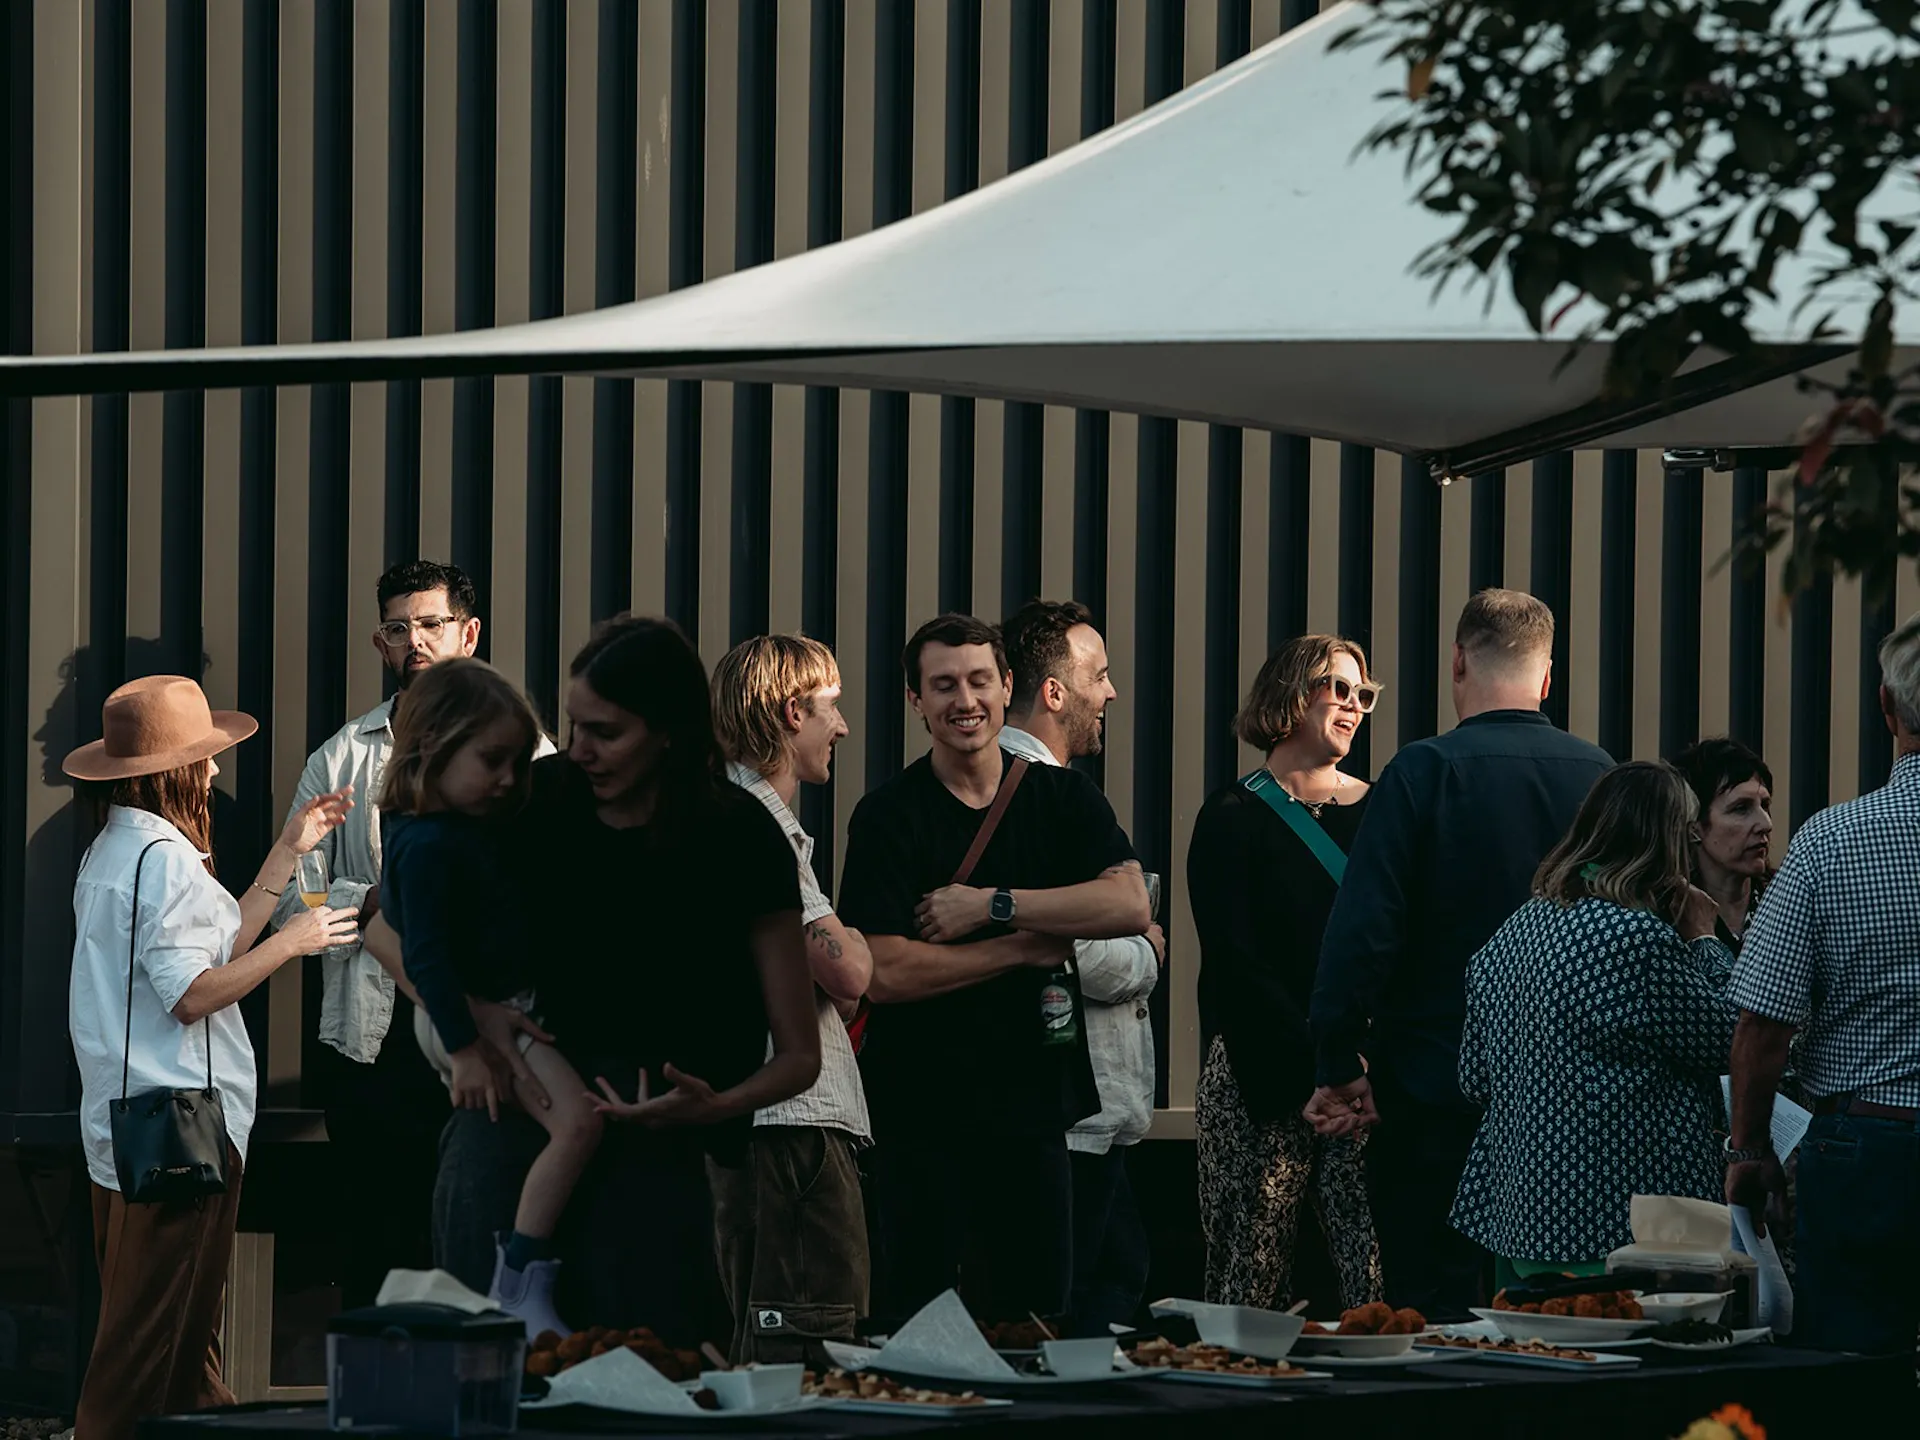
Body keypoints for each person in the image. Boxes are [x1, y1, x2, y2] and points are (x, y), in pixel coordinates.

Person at [387, 616, 821, 1342]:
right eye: (573, 726)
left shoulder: (740, 835)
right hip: (509, 1131)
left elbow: (800, 1055)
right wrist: (475, 1015)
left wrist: (714, 1107)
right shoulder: (533, 800)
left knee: (646, 1381)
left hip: (657, 1164)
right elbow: (384, 918)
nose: (579, 749)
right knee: (488, 1391)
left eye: (606, 733)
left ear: (670, 731)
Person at [837, 613, 1152, 1326]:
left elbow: (1129, 901)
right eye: (942, 685)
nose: (965, 700)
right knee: (923, 1333)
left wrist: (997, 907)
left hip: (1035, 1115)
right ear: (915, 700)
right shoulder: (888, 816)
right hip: (920, 1121)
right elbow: (883, 972)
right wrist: (1021, 946)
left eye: (980, 680)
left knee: (1037, 1329)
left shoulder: (1061, 798)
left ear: (1008, 687)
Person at [1304, 588, 1612, 1318]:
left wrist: (1340, 1060)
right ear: (1546, 677)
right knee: (1556, 1309)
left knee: (1430, 1305)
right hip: (1565, 1101)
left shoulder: (1421, 773)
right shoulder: (1600, 777)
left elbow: (1365, 932)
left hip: (1430, 1087)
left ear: (1457, 663)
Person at [64, 676, 357, 1440]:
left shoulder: (116, 848)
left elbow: (212, 949)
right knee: (146, 1359)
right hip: (182, 1135)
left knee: (180, 1351)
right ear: (176, 770)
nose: (217, 771)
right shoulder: (162, 860)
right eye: (207, 758)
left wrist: (286, 855)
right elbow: (192, 994)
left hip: (128, 1133)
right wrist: (299, 941)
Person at [273, 559, 550, 1308]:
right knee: (381, 1244)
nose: (415, 642)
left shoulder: (527, 751)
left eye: (431, 624)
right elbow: (295, 897)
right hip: (374, 1042)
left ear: (469, 632)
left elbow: (549, 884)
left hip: (492, 1027)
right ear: (381, 643)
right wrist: (372, 905)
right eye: (399, 629)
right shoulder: (342, 757)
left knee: (479, 1232)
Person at [378, 657, 597, 1340]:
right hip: (470, 1020)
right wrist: (467, 1048)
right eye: (492, 761)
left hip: (483, 1011)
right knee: (579, 1124)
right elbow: (424, 955)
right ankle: (521, 1279)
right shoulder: (427, 845)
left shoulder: (467, 829)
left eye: (518, 763)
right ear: (432, 749)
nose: (509, 781)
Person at [1451, 762, 1736, 1286]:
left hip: (1522, 1218)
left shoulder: (1518, 927)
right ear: (1667, 842)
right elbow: (1734, 1037)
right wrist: (1703, 938)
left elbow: (1473, 1079)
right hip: (1625, 1228)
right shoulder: (1638, 939)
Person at [1725, 611, 1920, 1355]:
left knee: (1852, 1378)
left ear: (1886, 707)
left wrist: (1748, 1150)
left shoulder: (1832, 841)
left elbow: (1763, 1025)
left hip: (1865, 1150)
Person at [1187, 635, 1383, 1312]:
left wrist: (1356, 1066)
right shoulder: (1231, 816)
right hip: (1257, 1073)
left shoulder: (1383, 813)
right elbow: (1236, 964)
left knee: (1372, 1279)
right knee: (1248, 1282)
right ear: (1293, 695)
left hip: (1364, 1081)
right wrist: (1319, 1064)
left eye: (1365, 694)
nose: (1355, 706)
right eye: (1340, 688)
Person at [707, 634, 874, 1364]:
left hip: (762, 1122)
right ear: (790, 711)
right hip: (793, 1128)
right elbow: (850, 974)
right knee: (809, 1346)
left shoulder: (727, 816)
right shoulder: (761, 828)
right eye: (831, 709)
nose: (840, 728)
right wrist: (860, 945)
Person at [999, 599, 1163, 1334]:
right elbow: (1081, 955)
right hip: (1066, 1121)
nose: (1112, 692)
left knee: (1109, 1286)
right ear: (1055, 692)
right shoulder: (1033, 795)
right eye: (1100, 674)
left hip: (1092, 1121)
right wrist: (1147, 951)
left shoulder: (1045, 789)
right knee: (1069, 1319)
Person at [1671, 737, 1774, 954]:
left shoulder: (1788, 903)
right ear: (1694, 827)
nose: (1766, 824)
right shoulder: (1666, 915)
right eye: (1741, 808)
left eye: (1765, 805)